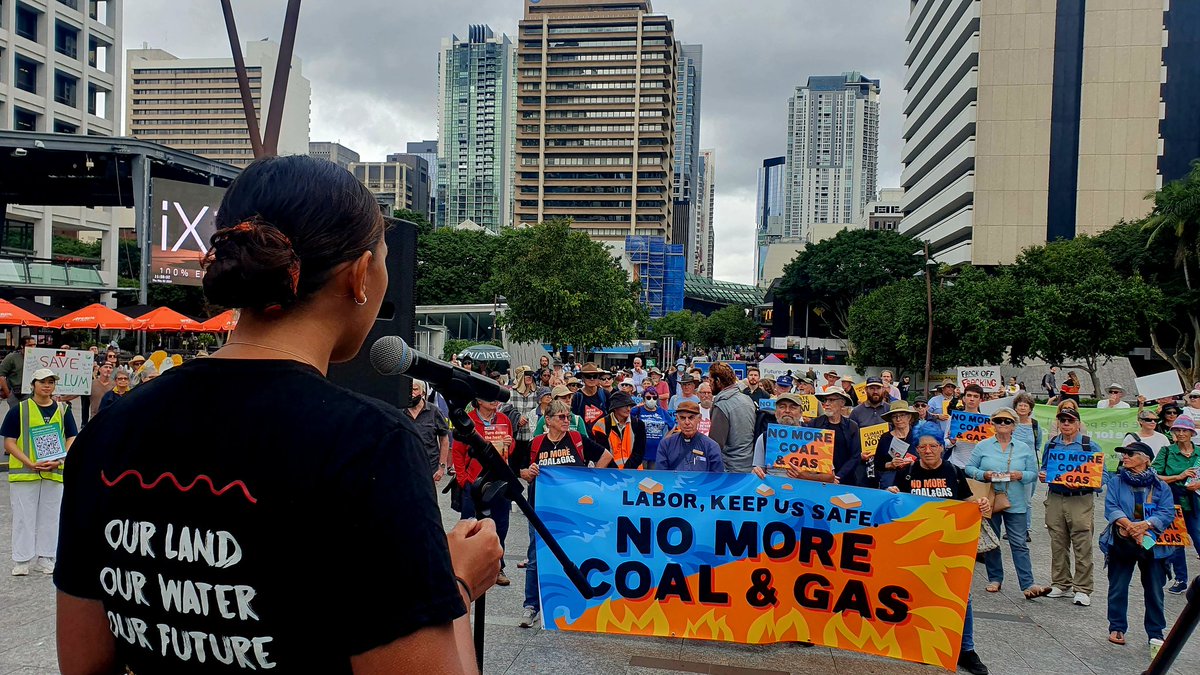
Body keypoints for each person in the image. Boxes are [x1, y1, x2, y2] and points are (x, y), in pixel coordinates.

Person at [53, 155, 502, 673]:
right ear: (360, 276)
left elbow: (84, 663)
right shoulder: (369, 444)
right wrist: (455, 587)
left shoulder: (109, 431)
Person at [888, 423, 991, 675]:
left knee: (961, 597)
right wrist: (890, 494)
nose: (928, 451)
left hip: (951, 547)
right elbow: (894, 507)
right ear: (916, 449)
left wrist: (983, 506)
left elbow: (969, 504)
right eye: (922, 446)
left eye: (933, 445)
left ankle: (966, 650)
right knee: (920, 594)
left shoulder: (954, 472)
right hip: (917, 546)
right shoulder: (906, 474)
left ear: (941, 447)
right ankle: (924, 645)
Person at [519, 400, 612, 628]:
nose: (566, 420)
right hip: (540, 510)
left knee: (577, 552)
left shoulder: (577, 440)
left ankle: (578, 601)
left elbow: (606, 455)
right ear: (547, 420)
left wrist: (590, 478)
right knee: (535, 557)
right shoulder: (536, 443)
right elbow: (519, 470)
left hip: (573, 510)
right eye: (561, 417)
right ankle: (531, 606)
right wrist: (527, 472)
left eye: (568, 416)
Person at [965, 407, 1049, 599]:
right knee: (992, 541)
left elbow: (1033, 474)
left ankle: (1028, 584)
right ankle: (995, 578)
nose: (1003, 424)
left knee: (1019, 543)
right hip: (991, 499)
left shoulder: (1023, 448)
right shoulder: (983, 446)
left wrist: (1020, 475)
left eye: (1007, 421)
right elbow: (969, 468)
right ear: (992, 424)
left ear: (1014, 425)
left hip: (1016, 501)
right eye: (999, 421)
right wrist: (983, 475)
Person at [1100, 441, 1174, 651]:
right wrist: (1130, 526)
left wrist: (1145, 525)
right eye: (1124, 454)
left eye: (1130, 454)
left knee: (1154, 588)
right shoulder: (1116, 482)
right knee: (1118, 586)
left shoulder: (1161, 485)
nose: (1125, 457)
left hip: (1153, 542)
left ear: (1146, 459)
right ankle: (1116, 627)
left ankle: (1156, 632)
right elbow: (1111, 507)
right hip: (1122, 539)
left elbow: (1166, 512)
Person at [5, 368, 78, 576]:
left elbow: (72, 436)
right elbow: (9, 441)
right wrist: (28, 461)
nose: (47, 385)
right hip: (25, 472)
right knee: (23, 516)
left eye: (50, 382)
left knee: (51, 515)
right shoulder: (20, 409)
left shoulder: (63, 409)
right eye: (42, 381)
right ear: (33, 385)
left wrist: (61, 458)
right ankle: (22, 559)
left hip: (54, 470)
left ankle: (46, 557)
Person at [1039, 406, 1102, 606]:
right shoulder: (1051, 445)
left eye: (1070, 420)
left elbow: (1103, 476)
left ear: (1077, 424)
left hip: (1080, 498)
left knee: (1082, 543)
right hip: (1056, 496)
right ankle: (1060, 582)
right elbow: (1045, 467)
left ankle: (1083, 588)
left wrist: (1084, 482)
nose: (1066, 424)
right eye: (1062, 420)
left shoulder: (1089, 446)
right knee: (1057, 541)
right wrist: (1044, 474)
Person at [1151, 416, 1200, 595]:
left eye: (1185, 430)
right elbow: (1154, 475)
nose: (1180, 433)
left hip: (1196, 502)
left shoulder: (1199, 452)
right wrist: (1178, 477)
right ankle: (1181, 579)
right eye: (1177, 430)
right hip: (1172, 500)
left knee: (1199, 538)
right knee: (1176, 541)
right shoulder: (1166, 451)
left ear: (1191, 433)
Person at [751, 393, 833, 482]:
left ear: (801, 412)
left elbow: (830, 477)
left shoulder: (816, 438)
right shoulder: (765, 438)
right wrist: (756, 472)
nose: (787, 411)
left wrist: (807, 476)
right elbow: (759, 471)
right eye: (782, 407)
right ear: (775, 412)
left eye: (793, 407)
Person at [707, 362, 757, 473]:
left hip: (729, 468)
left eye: (710, 381)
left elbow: (715, 444)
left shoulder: (722, 405)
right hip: (748, 464)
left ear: (718, 381)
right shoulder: (747, 399)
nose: (709, 385)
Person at [811, 389, 863, 486]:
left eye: (831, 400)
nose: (826, 403)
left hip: (846, 479)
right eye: (825, 400)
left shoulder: (852, 426)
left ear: (842, 403)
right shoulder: (815, 423)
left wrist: (838, 477)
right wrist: (826, 476)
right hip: (819, 479)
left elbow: (855, 456)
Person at [656, 401, 724, 472]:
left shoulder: (711, 446)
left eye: (691, 418)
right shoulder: (666, 444)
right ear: (677, 419)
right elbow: (661, 476)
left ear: (699, 419)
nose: (687, 422)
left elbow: (717, 477)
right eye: (682, 418)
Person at [408, 380, 450, 484]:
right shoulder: (400, 410)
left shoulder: (434, 411)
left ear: (423, 392)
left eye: (415, 389)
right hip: (406, 466)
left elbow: (444, 439)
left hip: (430, 467)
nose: (412, 393)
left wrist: (441, 467)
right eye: (409, 389)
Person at [1013, 392, 1043, 538]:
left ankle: (1026, 529)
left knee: (1026, 500)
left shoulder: (1036, 425)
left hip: (1029, 468)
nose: (1023, 408)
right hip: (1011, 466)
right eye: (1020, 405)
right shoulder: (1010, 423)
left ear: (1030, 408)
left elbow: (1038, 445)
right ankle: (1011, 529)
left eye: (1026, 405)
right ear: (1015, 407)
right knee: (1010, 498)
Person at [591, 391, 645, 470]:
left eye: (630, 405)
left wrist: (627, 470)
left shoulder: (638, 424)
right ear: (615, 407)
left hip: (634, 473)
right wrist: (617, 473)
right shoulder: (601, 425)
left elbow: (639, 453)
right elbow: (602, 452)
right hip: (610, 474)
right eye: (625, 406)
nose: (628, 409)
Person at [873, 400, 919, 490]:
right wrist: (891, 464)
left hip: (915, 481)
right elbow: (877, 464)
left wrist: (914, 463)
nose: (898, 419)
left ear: (909, 417)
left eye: (902, 415)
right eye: (894, 417)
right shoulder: (885, 437)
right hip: (891, 483)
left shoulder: (918, 436)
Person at [945, 384, 986, 468]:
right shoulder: (954, 419)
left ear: (980, 400)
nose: (972, 399)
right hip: (956, 464)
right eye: (969, 395)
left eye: (975, 396)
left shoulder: (986, 422)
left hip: (977, 466)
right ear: (964, 398)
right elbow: (945, 443)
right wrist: (951, 442)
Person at [631, 388, 674, 470]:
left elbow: (672, 425)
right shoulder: (638, 410)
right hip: (640, 450)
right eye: (648, 397)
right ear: (644, 398)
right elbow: (627, 417)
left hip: (657, 451)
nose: (651, 399)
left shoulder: (662, 412)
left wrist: (665, 439)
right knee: (640, 477)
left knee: (653, 478)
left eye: (654, 398)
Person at [509, 366, 541, 469]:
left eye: (531, 374)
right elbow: (504, 410)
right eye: (526, 374)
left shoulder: (537, 392)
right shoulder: (511, 393)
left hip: (530, 436)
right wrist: (517, 418)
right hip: (515, 436)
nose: (529, 377)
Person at [0, 335, 37, 406]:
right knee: (15, 415)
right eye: (29, 345)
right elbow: (1, 375)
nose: (33, 347)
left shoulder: (37, 356)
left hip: (30, 391)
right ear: (22, 346)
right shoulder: (12, 357)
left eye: (34, 345)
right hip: (15, 392)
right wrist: (8, 394)